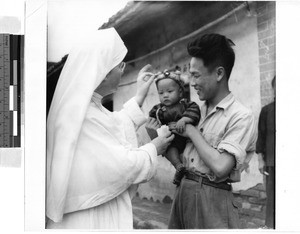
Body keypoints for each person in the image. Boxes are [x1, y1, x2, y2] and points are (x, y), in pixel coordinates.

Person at [46, 28, 174, 229]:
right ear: (102, 74)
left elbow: (114, 124)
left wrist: (139, 94)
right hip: (91, 219)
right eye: (120, 65)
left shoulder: (85, 109)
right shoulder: (84, 116)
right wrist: (155, 147)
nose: (123, 70)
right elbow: (122, 166)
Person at [146, 33, 257, 229]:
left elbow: (221, 166)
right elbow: (183, 157)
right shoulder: (195, 110)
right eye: (190, 75)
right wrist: (157, 137)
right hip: (183, 192)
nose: (192, 82)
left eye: (196, 75)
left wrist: (190, 130)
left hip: (212, 200)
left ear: (219, 74)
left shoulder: (240, 116)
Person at [148, 70, 200, 185]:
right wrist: (156, 128)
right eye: (161, 93)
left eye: (170, 91)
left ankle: (182, 172)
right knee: (170, 150)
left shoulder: (184, 104)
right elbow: (152, 119)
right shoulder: (158, 109)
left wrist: (184, 119)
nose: (165, 95)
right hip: (171, 140)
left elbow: (195, 110)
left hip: (187, 140)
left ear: (180, 92)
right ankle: (179, 167)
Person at [256, 76, 275, 228]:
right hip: (272, 163)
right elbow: (261, 137)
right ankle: (271, 226)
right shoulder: (267, 111)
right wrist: (260, 160)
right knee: (273, 197)